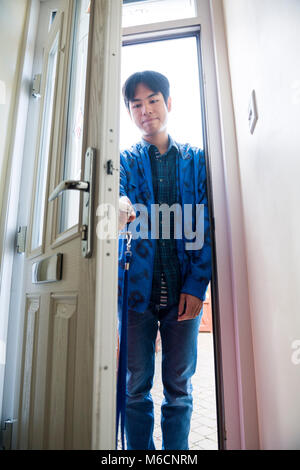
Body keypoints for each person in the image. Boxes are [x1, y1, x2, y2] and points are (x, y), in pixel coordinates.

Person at [118, 70, 212, 450]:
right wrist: (120, 205)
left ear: (168, 103)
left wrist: (197, 286)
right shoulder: (123, 161)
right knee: (135, 387)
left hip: (182, 291)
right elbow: (117, 197)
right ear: (129, 112)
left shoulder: (195, 160)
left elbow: (205, 222)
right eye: (136, 104)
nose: (145, 110)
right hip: (136, 294)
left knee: (179, 388)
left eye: (153, 100)